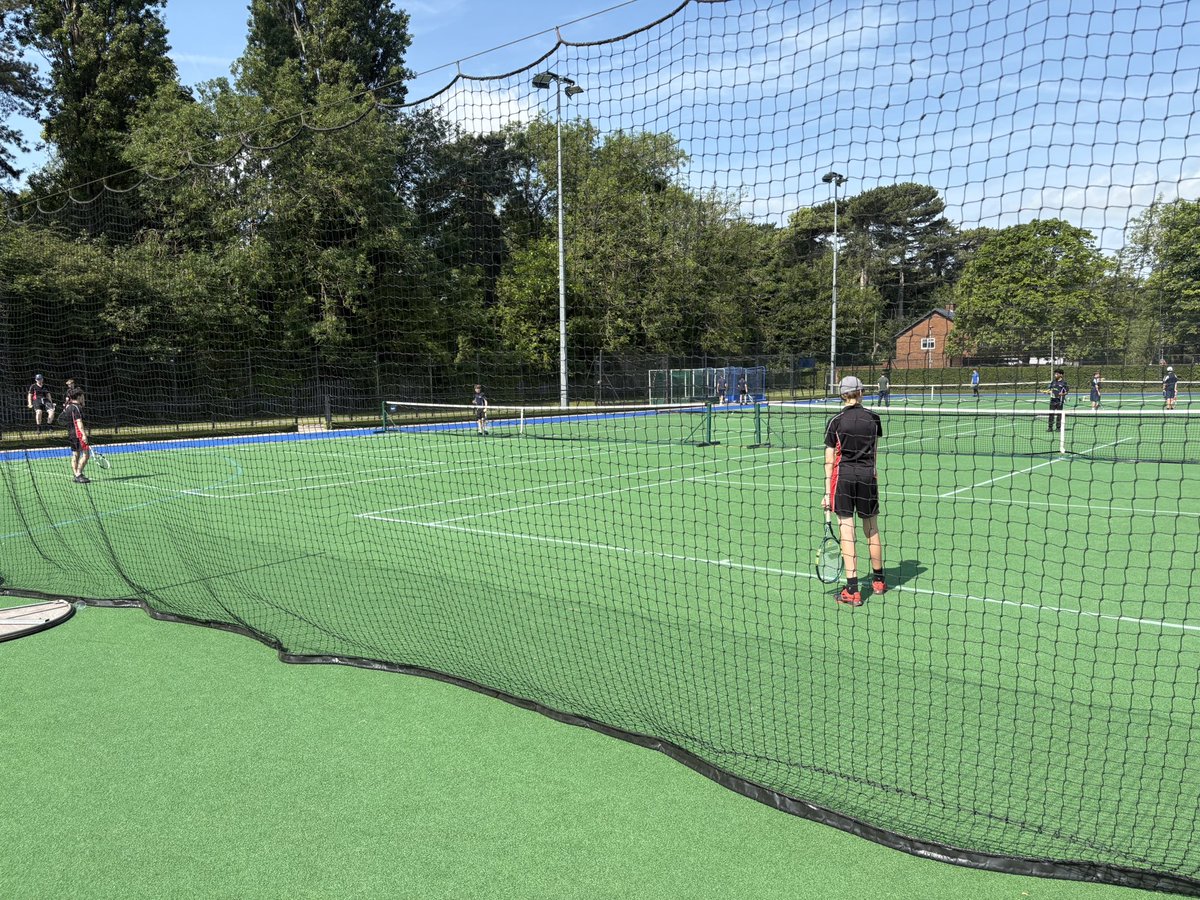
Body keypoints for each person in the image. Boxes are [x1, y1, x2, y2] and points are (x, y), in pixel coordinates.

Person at [822, 375, 885, 607]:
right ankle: (879, 581)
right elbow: (875, 453)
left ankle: (852, 590)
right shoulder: (874, 419)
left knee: (847, 531)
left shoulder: (835, 421)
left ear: (842, 394)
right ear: (861, 392)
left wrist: (827, 493)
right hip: (868, 476)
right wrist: (872, 474)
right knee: (872, 528)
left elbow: (829, 461)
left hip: (844, 479)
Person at [62, 388, 91, 483]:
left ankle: (76, 475)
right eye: (82, 396)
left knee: (75, 454)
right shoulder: (76, 407)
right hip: (78, 434)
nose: (83, 398)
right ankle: (78, 474)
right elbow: (79, 422)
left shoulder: (68, 407)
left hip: (71, 434)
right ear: (79, 397)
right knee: (86, 455)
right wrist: (83, 435)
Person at [1047, 368, 1069, 433]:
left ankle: (1058, 427)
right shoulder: (1053, 382)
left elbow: (1066, 392)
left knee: (1059, 414)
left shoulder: (1064, 383)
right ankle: (1050, 427)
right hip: (1052, 400)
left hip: (1059, 401)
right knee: (1051, 414)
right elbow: (1049, 389)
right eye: (1055, 373)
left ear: (1061, 375)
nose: (1055, 375)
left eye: (1057, 373)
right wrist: (1048, 392)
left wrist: (1061, 394)